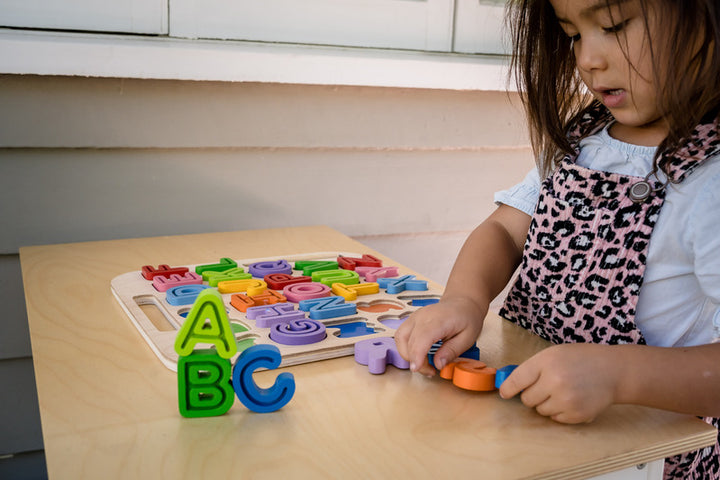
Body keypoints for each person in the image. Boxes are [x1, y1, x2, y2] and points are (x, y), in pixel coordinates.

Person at [394, 0, 720, 477]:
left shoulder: (709, 181)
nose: (588, 58)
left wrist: (618, 375)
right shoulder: (587, 140)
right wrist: (465, 299)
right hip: (538, 432)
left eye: (613, 25)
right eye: (573, 35)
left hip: (640, 454)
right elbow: (505, 229)